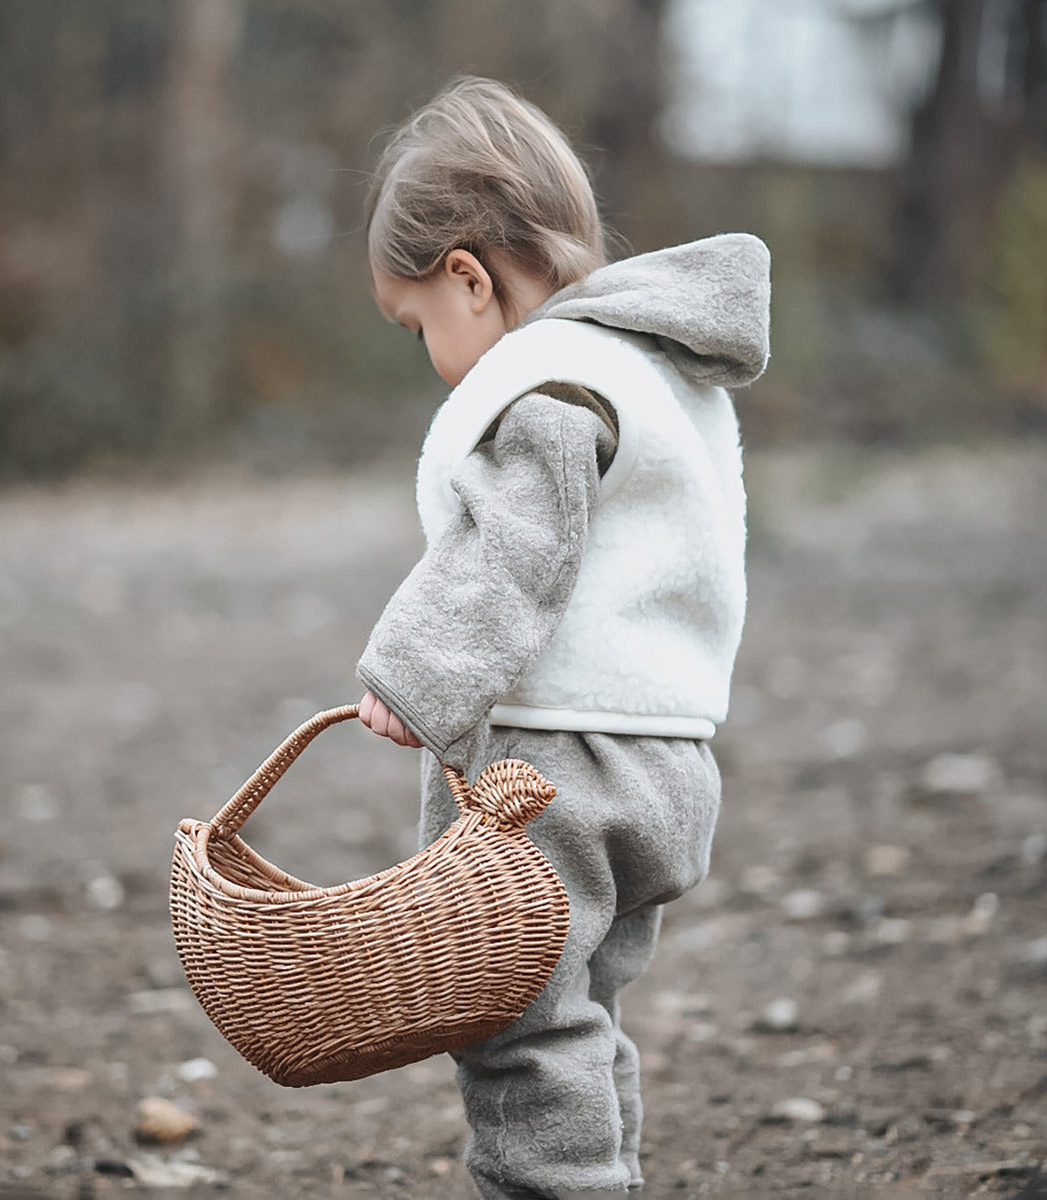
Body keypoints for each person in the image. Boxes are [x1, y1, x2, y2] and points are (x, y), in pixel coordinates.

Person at [356, 76, 771, 1200]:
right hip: (667, 765)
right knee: (581, 1014)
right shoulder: (664, 373)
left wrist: (414, 673)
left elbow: (511, 551)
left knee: (511, 1027)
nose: (429, 353)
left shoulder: (545, 384)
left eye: (419, 327)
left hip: (555, 774)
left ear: (469, 278)